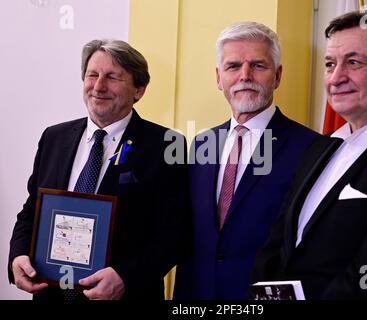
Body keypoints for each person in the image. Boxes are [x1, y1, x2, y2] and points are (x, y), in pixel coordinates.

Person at [252, 10, 367, 299]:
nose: (336, 78)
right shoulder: (319, 147)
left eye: (353, 62)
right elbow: (278, 243)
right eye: (329, 64)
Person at [8, 39, 190, 300]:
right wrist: (18, 255)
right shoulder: (54, 138)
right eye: (92, 75)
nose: (99, 86)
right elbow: (31, 211)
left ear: (139, 89)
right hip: (50, 293)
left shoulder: (167, 146)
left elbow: (176, 234)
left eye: (112, 77)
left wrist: (126, 276)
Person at [174, 21, 318, 299]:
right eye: (233, 66)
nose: (245, 76)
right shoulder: (202, 143)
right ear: (218, 78)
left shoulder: (311, 148)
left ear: (277, 76)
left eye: (258, 66)